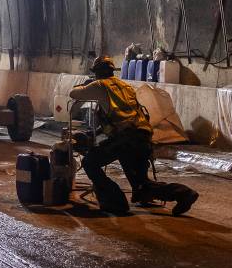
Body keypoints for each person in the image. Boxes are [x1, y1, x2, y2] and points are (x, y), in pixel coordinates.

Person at [68, 55, 198, 215]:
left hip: (126, 139)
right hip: (142, 136)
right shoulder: (126, 86)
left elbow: (74, 94)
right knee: (141, 186)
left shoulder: (100, 85)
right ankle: (184, 194)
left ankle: (115, 202)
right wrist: (100, 131)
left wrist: (86, 84)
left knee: (90, 162)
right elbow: (124, 116)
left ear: (97, 72)